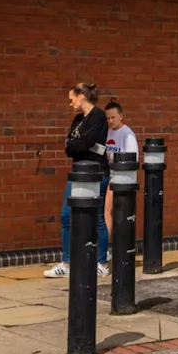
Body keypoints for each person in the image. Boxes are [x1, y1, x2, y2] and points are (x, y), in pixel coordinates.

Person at [45, 82, 110, 279]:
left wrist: (77, 144)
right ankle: (67, 263)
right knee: (66, 216)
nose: (70, 103)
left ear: (81, 97)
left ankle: (101, 263)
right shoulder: (77, 120)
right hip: (78, 172)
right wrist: (77, 144)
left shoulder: (98, 116)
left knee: (97, 218)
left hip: (96, 173)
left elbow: (83, 143)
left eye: (72, 99)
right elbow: (70, 147)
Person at [103, 99, 139, 263]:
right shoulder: (108, 132)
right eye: (108, 118)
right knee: (107, 212)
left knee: (107, 211)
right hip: (108, 174)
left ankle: (105, 250)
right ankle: (108, 247)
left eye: (113, 117)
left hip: (120, 178)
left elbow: (132, 159)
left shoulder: (127, 134)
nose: (110, 121)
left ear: (121, 116)